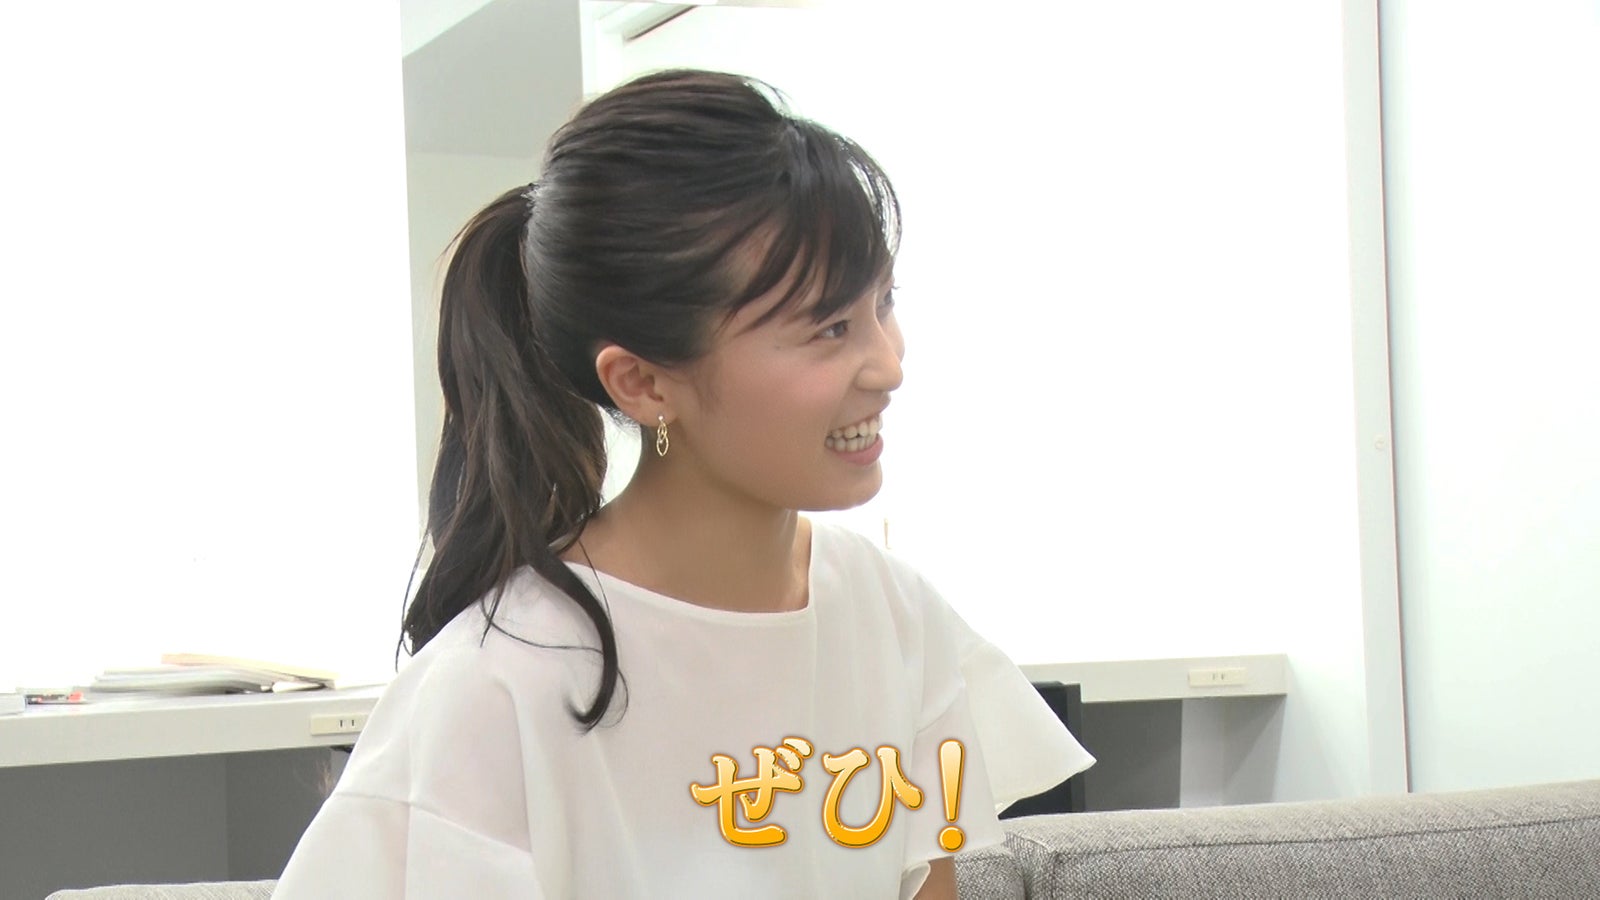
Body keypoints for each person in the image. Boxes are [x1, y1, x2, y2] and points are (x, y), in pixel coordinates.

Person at [274, 69, 1091, 899]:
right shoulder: (494, 684)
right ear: (642, 382)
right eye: (830, 328)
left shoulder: (895, 615)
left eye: (884, 302)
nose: (887, 365)